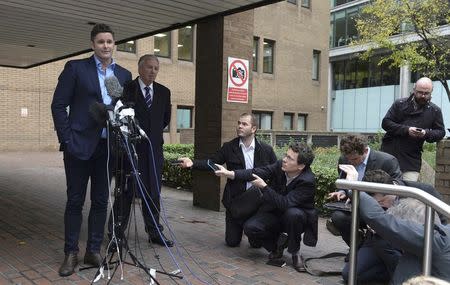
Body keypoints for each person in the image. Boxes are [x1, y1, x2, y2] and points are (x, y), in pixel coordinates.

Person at [51, 23, 132, 276]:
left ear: (114, 45)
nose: (105, 46)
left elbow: (124, 108)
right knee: (75, 201)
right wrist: (67, 139)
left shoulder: (123, 75)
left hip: (107, 148)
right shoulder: (76, 69)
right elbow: (58, 105)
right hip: (78, 146)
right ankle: (71, 252)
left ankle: (93, 249)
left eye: (109, 42)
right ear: (92, 44)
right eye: (100, 42)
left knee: (100, 200)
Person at [339, 164, 450, 284]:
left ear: (391, 189)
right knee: (350, 274)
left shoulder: (423, 192)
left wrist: (353, 187)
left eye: (382, 201)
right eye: (376, 204)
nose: (381, 206)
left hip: (416, 246)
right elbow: (370, 218)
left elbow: (443, 219)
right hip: (379, 240)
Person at [215, 142, 318, 272]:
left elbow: (285, 203)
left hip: (297, 219)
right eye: (286, 155)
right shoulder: (280, 165)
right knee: (250, 227)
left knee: (293, 214)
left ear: (301, 166)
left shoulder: (307, 181)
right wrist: (229, 173)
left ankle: (295, 252)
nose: (284, 160)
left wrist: (264, 187)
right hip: (275, 212)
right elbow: (257, 172)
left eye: (290, 158)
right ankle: (276, 247)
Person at [178, 113, 277, 247]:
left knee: (256, 245)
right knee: (232, 242)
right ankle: (240, 226)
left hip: (257, 203)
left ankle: (253, 228)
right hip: (236, 202)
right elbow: (212, 163)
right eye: (238, 123)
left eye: (244, 124)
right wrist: (192, 163)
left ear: (253, 129)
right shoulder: (229, 147)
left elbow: (275, 172)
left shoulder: (266, 150)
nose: (239, 126)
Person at [108, 54, 173, 247]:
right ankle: (116, 234)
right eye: (149, 67)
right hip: (130, 151)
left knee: (153, 192)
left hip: (153, 151)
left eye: (156, 68)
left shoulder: (164, 92)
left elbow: (165, 119)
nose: (152, 71)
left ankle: (155, 232)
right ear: (139, 68)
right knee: (125, 192)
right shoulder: (127, 89)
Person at [328, 134, 402, 247]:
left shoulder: (387, 161)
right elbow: (343, 181)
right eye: (348, 158)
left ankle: (372, 248)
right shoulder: (344, 159)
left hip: (379, 208)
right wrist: (342, 192)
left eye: (355, 159)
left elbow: (397, 187)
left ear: (365, 150)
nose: (350, 162)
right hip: (354, 206)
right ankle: (356, 247)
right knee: (338, 217)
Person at [381, 77, 445, 181]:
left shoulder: (435, 110)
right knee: (384, 191)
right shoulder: (400, 103)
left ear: (431, 92)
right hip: (389, 154)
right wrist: (407, 130)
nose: (423, 96)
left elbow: (441, 132)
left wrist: (426, 133)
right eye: (420, 92)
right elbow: (386, 123)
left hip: (411, 159)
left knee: (407, 193)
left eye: (426, 93)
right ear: (414, 90)